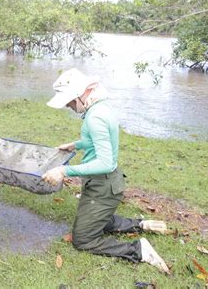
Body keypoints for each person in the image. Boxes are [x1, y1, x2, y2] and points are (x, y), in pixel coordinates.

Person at [42, 68, 170, 274]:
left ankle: (139, 249)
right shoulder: (99, 108)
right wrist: (76, 145)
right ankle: (142, 224)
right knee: (95, 220)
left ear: (81, 94)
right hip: (103, 185)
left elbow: (105, 163)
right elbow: (96, 140)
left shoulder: (95, 117)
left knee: (83, 239)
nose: (68, 106)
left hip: (103, 186)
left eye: (69, 101)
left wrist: (64, 171)